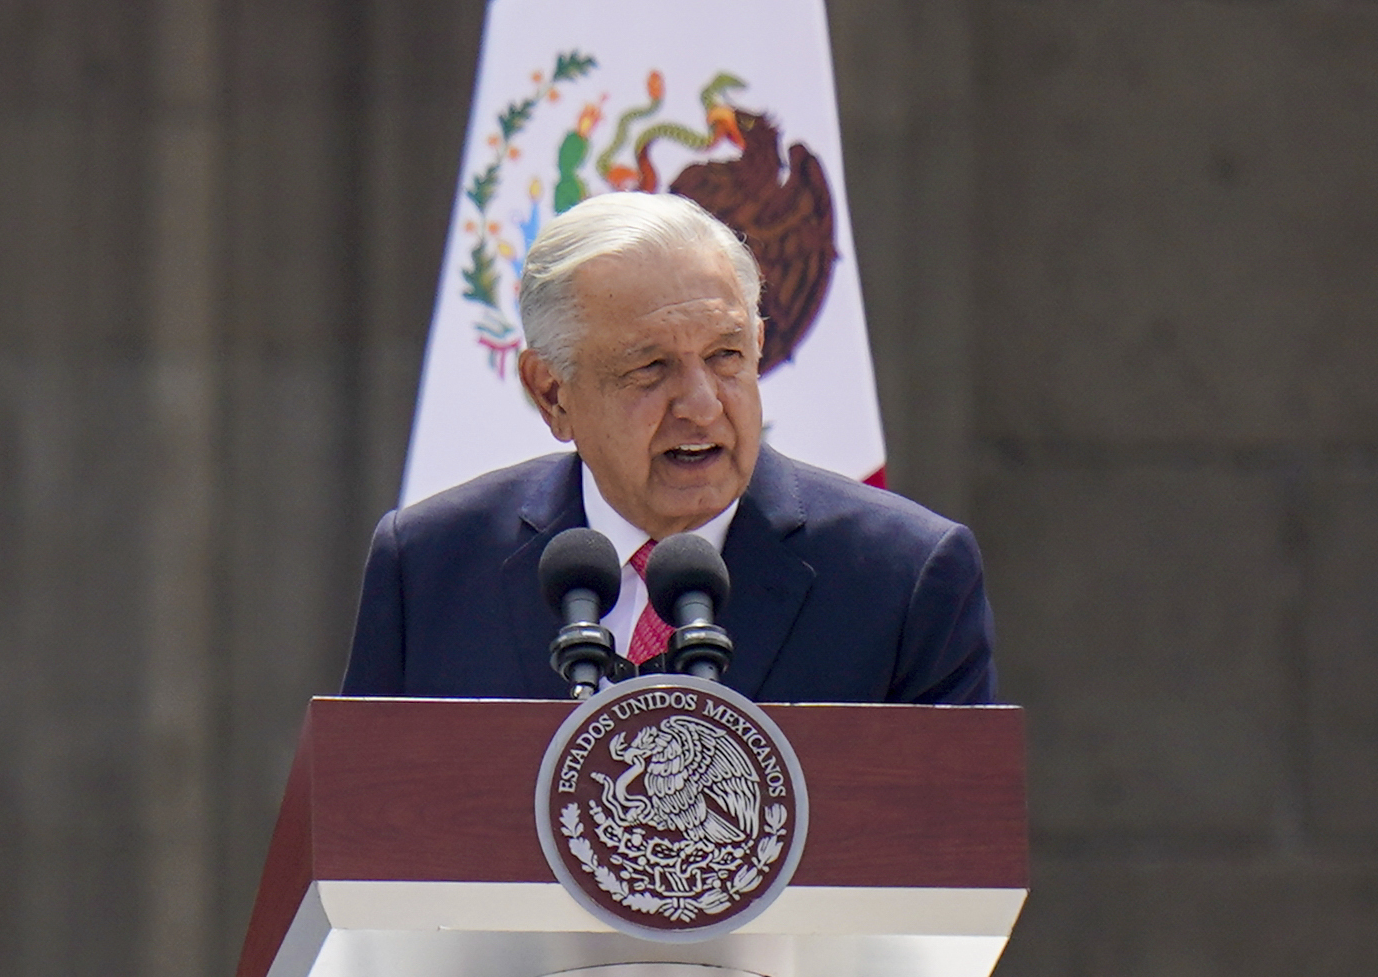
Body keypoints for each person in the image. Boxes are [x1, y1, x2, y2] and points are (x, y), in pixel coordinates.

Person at [341, 192, 994, 704]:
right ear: (552, 393)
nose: (702, 405)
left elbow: (947, 833)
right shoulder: (429, 566)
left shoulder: (903, 578)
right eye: (650, 367)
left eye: (725, 355)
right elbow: (357, 823)